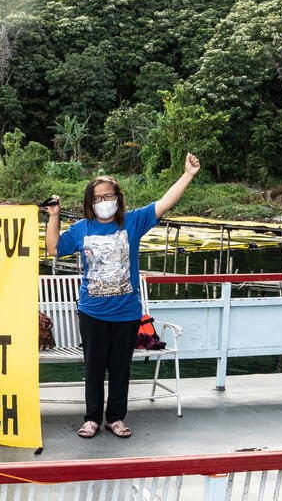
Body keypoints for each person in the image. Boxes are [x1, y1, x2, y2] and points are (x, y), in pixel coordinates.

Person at [44, 153, 201, 439]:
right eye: (98, 198)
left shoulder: (133, 222)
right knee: (94, 369)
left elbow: (165, 202)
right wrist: (53, 216)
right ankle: (92, 419)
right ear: (90, 203)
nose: (104, 201)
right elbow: (54, 248)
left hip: (127, 312)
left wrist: (188, 174)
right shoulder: (81, 229)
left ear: (118, 198)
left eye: (108, 196)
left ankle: (115, 418)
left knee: (120, 369)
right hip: (92, 311)